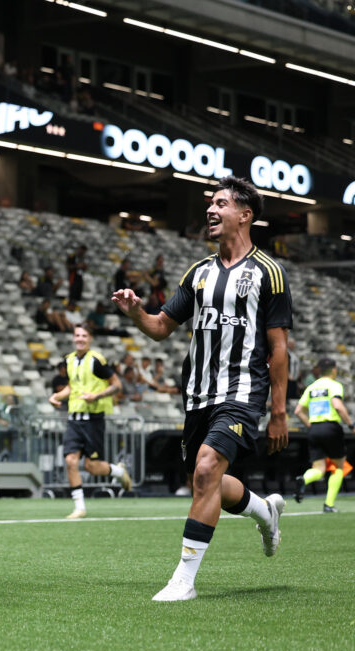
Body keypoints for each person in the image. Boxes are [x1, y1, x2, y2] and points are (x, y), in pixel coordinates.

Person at [112, 175, 291, 602]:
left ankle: (184, 580)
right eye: (210, 203)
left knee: (208, 469)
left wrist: (280, 411)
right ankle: (264, 510)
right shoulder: (198, 273)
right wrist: (137, 311)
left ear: (244, 215)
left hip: (243, 390)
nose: (211, 210)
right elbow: (160, 328)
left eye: (222, 203)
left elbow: (279, 346)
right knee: (207, 478)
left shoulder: (269, 273)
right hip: (198, 395)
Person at [48, 324, 130, 518]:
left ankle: (117, 471)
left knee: (92, 467)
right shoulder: (68, 360)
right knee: (70, 460)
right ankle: (79, 507)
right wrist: (56, 397)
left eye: (84, 335)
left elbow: (116, 385)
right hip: (74, 418)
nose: (80, 339)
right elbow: (71, 388)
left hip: (93, 420)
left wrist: (97, 396)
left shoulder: (96, 360)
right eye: (77, 335)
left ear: (90, 338)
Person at [293, 358, 353, 513]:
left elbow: (298, 411)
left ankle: (304, 479)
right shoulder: (334, 385)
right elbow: (338, 406)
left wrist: (309, 425)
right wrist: (351, 425)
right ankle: (329, 504)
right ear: (334, 370)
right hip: (331, 427)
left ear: (319, 370)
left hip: (314, 429)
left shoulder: (311, 387)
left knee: (318, 468)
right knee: (338, 467)